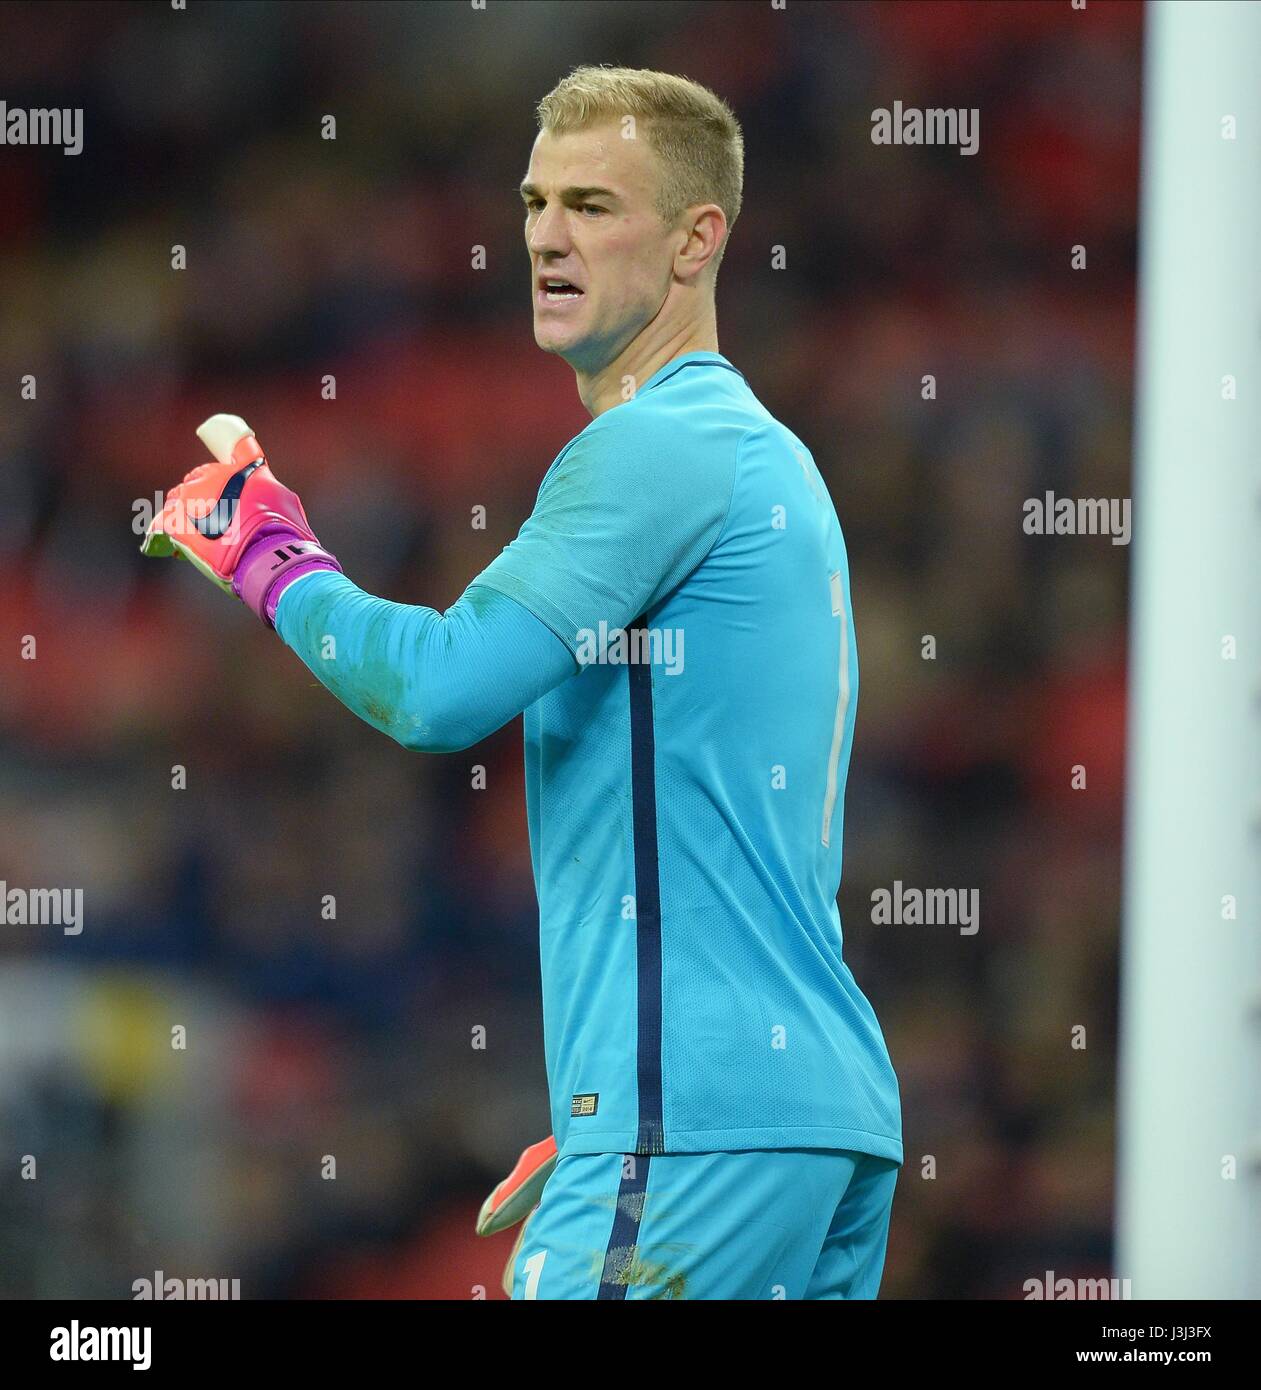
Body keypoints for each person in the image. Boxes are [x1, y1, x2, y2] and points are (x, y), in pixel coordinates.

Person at [145, 65, 902, 1300]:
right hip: (799, 1121)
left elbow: (439, 689)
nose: (548, 233)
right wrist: (618, 1115)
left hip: (693, 1120)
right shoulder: (768, 461)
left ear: (696, 241)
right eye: (537, 200)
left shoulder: (656, 445)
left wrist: (268, 550)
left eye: (596, 205)